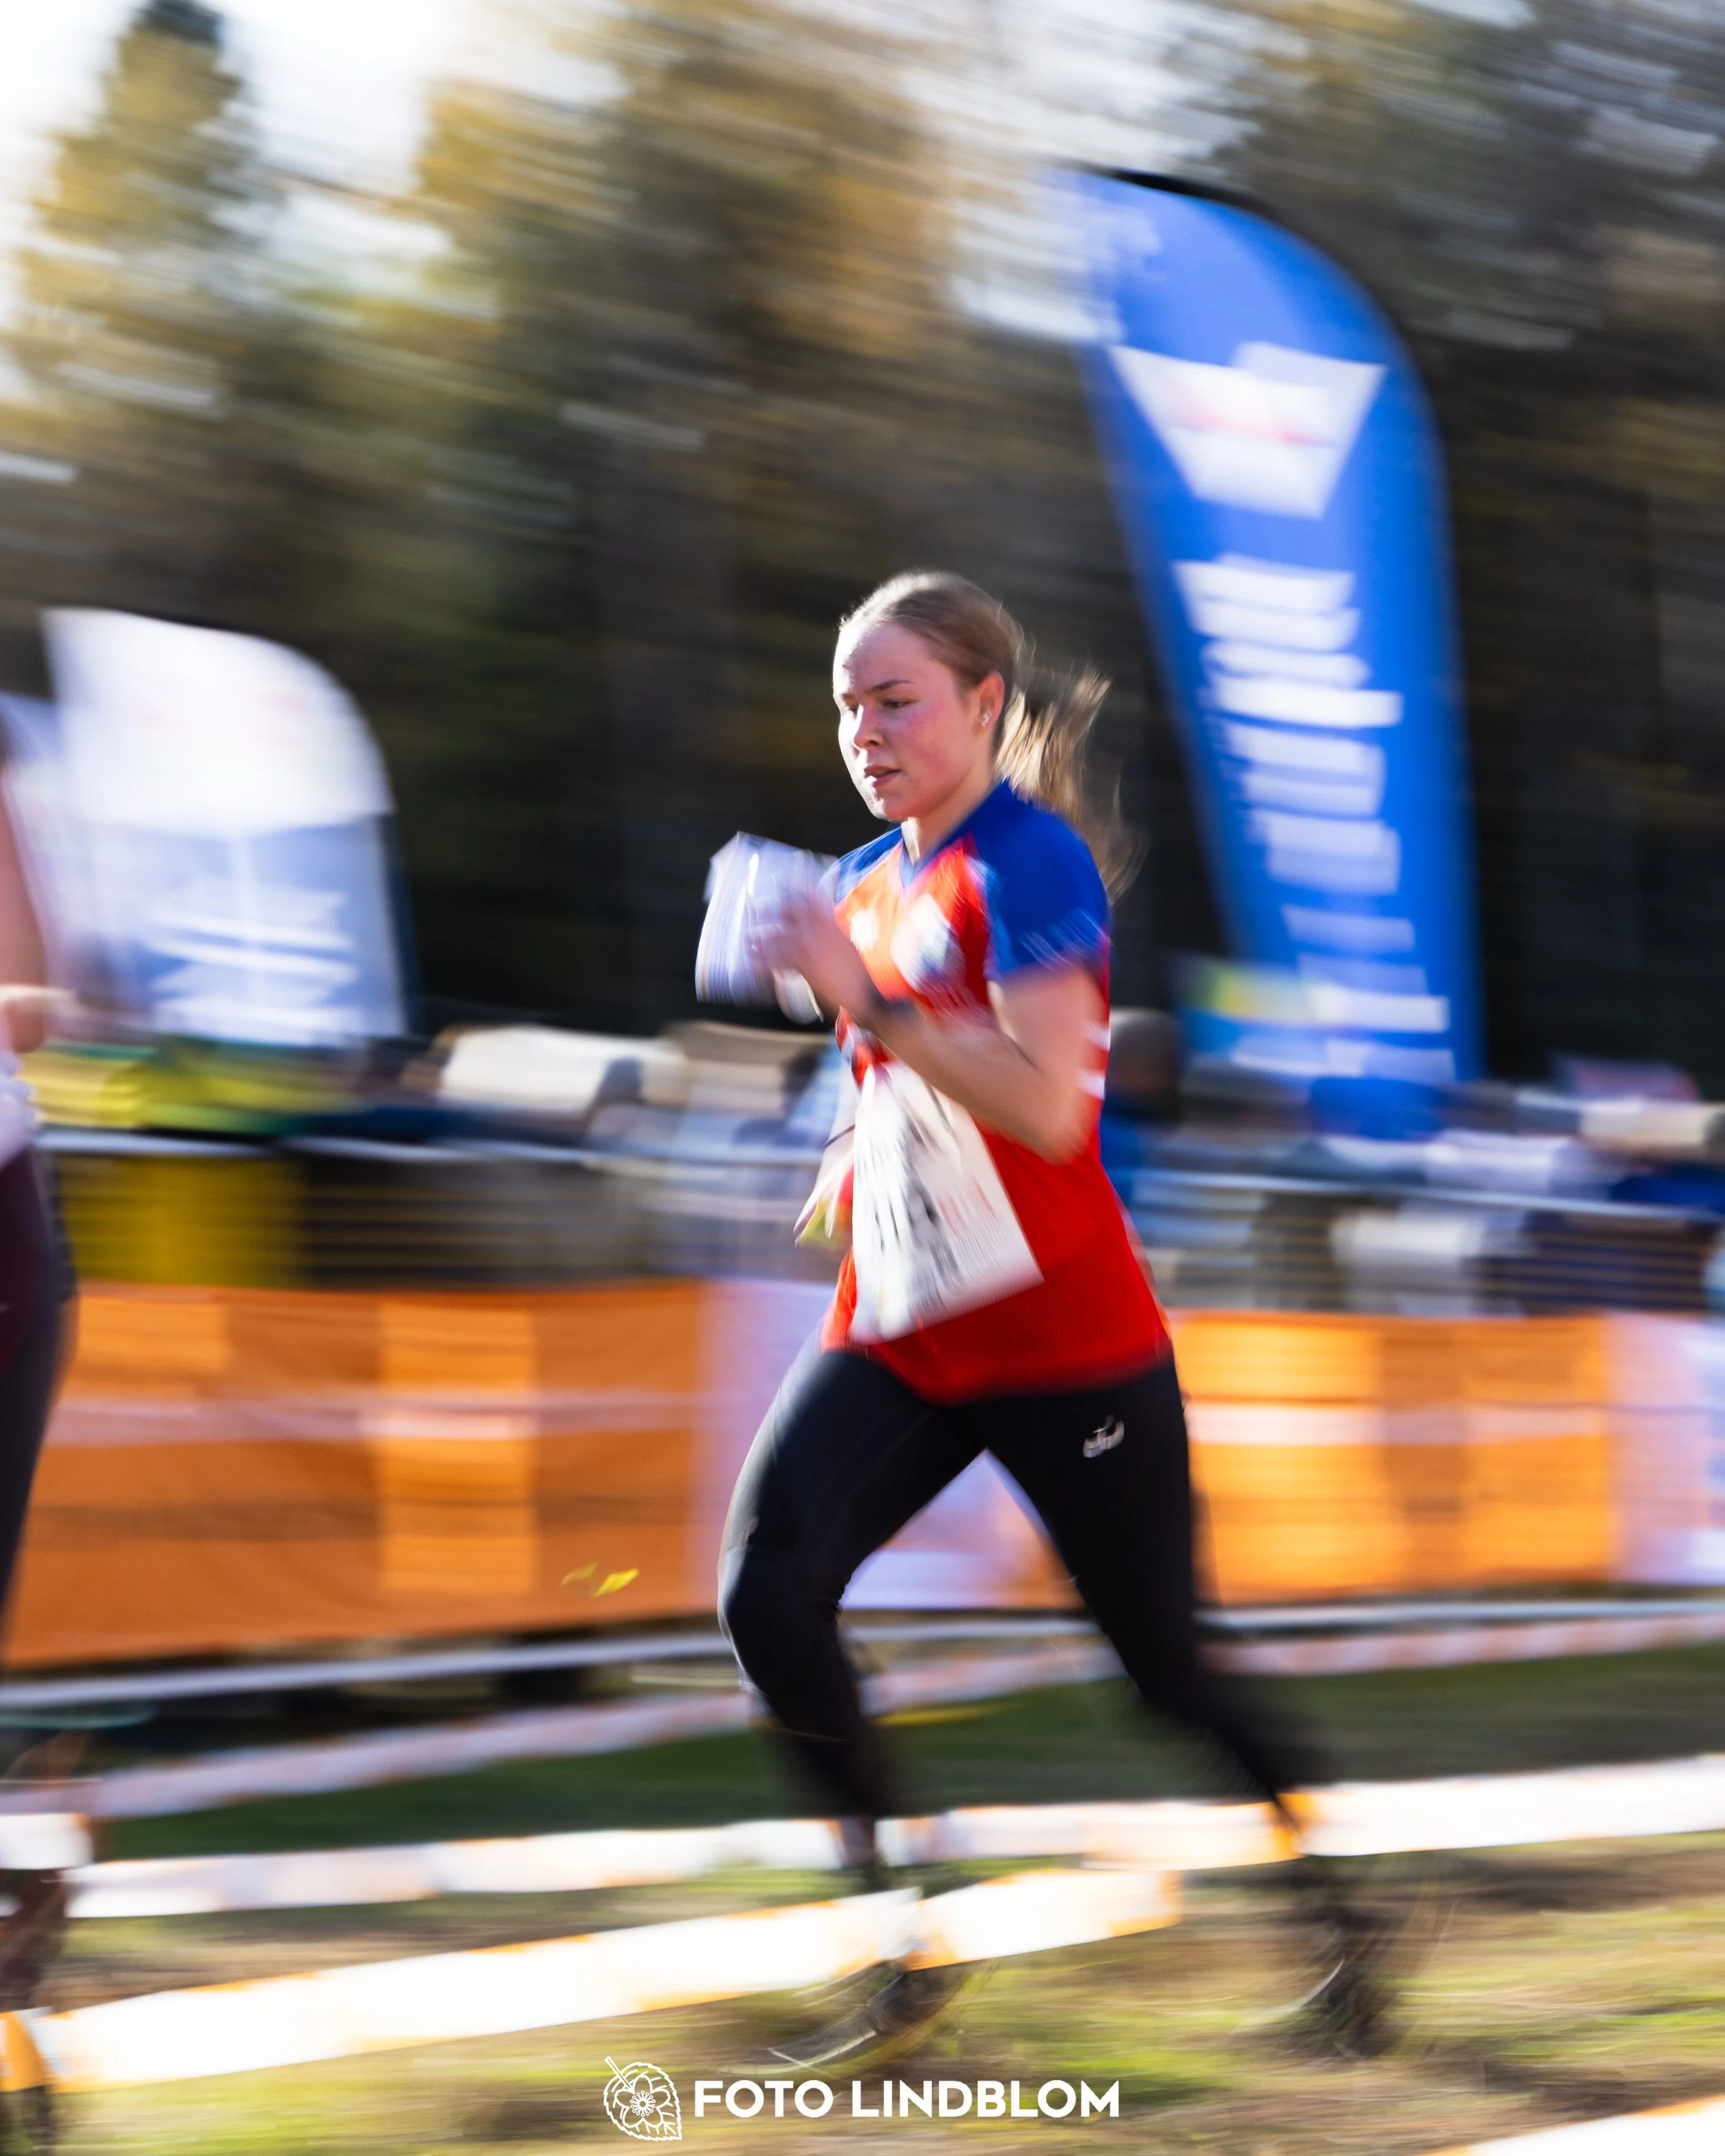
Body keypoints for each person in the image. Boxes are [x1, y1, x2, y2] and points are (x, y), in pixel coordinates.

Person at [720, 571, 1368, 2065]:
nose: (864, 731)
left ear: (981, 705)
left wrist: (864, 1004)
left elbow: (1045, 1107)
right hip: (901, 1329)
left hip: (1065, 1345)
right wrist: (854, 1136)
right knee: (766, 1594)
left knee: (1163, 1671)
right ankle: (898, 1945)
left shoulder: (1028, 859)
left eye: (896, 699)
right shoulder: (869, 881)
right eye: (845, 705)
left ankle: (1341, 1911)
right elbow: (917, 1080)